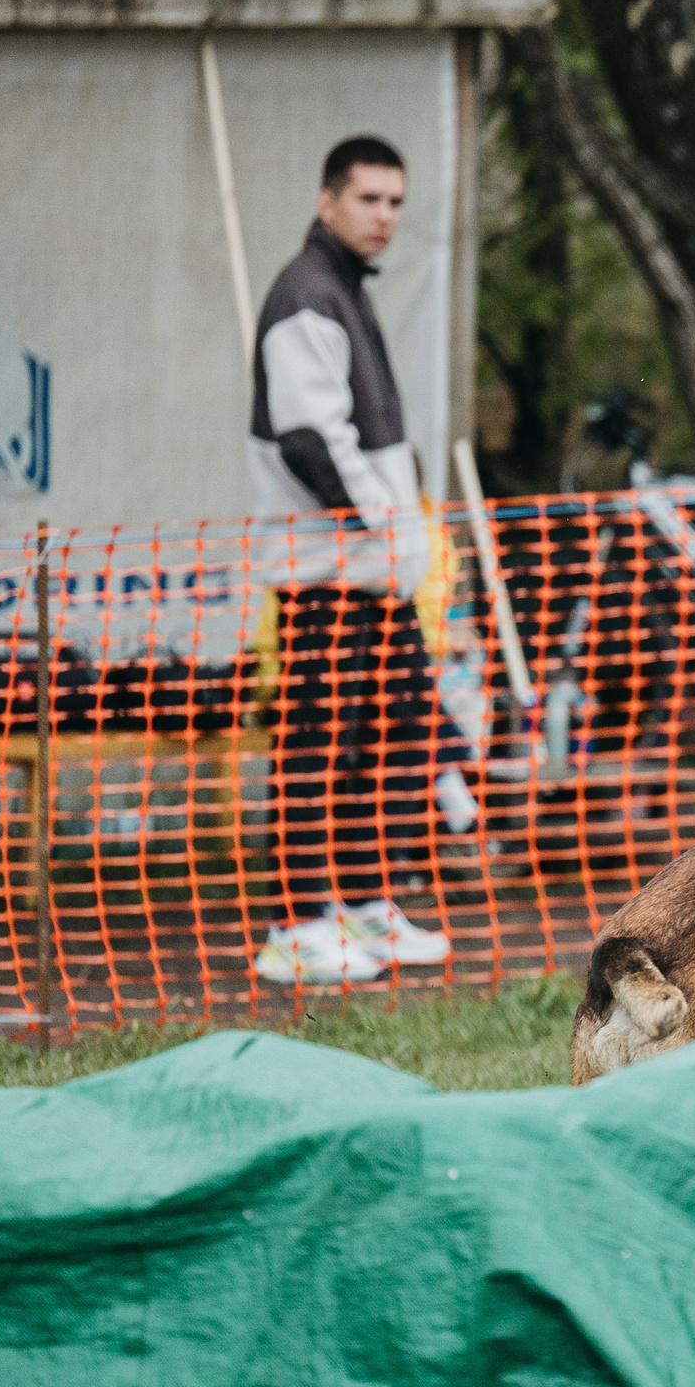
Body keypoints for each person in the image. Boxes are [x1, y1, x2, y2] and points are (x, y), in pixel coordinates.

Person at [248, 136, 453, 985]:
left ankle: (364, 905)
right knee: (320, 745)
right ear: (328, 200)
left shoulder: (344, 291)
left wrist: (397, 543)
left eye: (397, 201)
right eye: (369, 198)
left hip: (373, 573)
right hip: (327, 573)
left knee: (396, 736)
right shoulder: (307, 292)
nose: (385, 216)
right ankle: (297, 924)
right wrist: (382, 528)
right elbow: (307, 438)